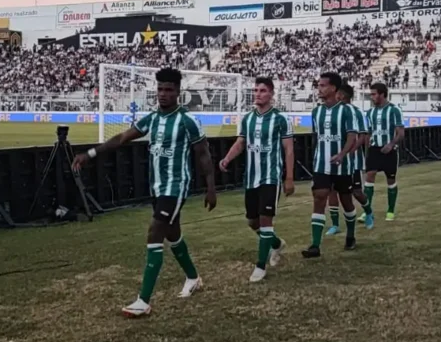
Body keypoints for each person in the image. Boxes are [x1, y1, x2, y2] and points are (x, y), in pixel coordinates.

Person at [73, 67, 216, 317]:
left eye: (168, 90)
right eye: (160, 89)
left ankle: (143, 301)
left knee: (154, 232)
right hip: (157, 187)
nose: (163, 94)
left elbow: (203, 155)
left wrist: (211, 188)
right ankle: (193, 278)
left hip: (176, 186)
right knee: (173, 233)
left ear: (178, 93)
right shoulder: (152, 118)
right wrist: (90, 154)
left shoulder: (187, 120)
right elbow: (121, 138)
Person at [218, 77, 294, 283]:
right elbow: (241, 142)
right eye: (256, 90)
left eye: (262, 90)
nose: (258, 94)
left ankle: (260, 267)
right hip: (251, 178)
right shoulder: (248, 119)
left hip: (270, 176)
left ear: (271, 94)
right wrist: (227, 158)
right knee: (252, 222)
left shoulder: (280, 119)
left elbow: (288, 149)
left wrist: (289, 177)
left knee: (265, 219)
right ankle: (277, 244)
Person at [304, 72, 361, 257]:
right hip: (321, 165)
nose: (319, 89)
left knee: (346, 201)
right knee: (320, 197)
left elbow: (352, 136)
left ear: (333, 88)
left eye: (322, 85)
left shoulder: (347, 110)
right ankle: (315, 245)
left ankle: (351, 235)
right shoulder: (316, 111)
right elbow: (316, 137)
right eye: (318, 85)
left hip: (343, 165)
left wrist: (342, 154)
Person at [324, 83, 376, 233]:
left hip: (352, 162)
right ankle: (335, 224)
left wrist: (350, 150)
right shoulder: (332, 111)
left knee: (356, 191)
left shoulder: (356, 112)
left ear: (342, 95)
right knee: (332, 191)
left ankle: (369, 212)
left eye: (337, 93)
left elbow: (362, 135)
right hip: (334, 159)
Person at [363, 82, 405, 221]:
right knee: (369, 176)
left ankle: (390, 210)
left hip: (390, 150)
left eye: (374, 94)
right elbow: (368, 132)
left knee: (391, 179)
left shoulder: (394, 110)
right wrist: (367, 149)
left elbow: (400, 133)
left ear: (382, 94)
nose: (372, 97)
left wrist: (391, 144)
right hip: (374, 149)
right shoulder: (370, 112)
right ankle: (367, 211)